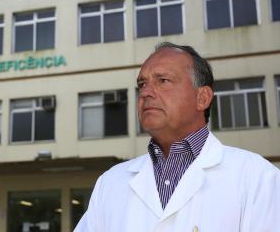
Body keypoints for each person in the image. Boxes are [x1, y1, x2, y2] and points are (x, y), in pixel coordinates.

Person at [74, 42, 280, 232]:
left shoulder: (257, 177)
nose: (146, 93)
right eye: (142, 84)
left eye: (163, 81)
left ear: (202, 98)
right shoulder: (110, 183)